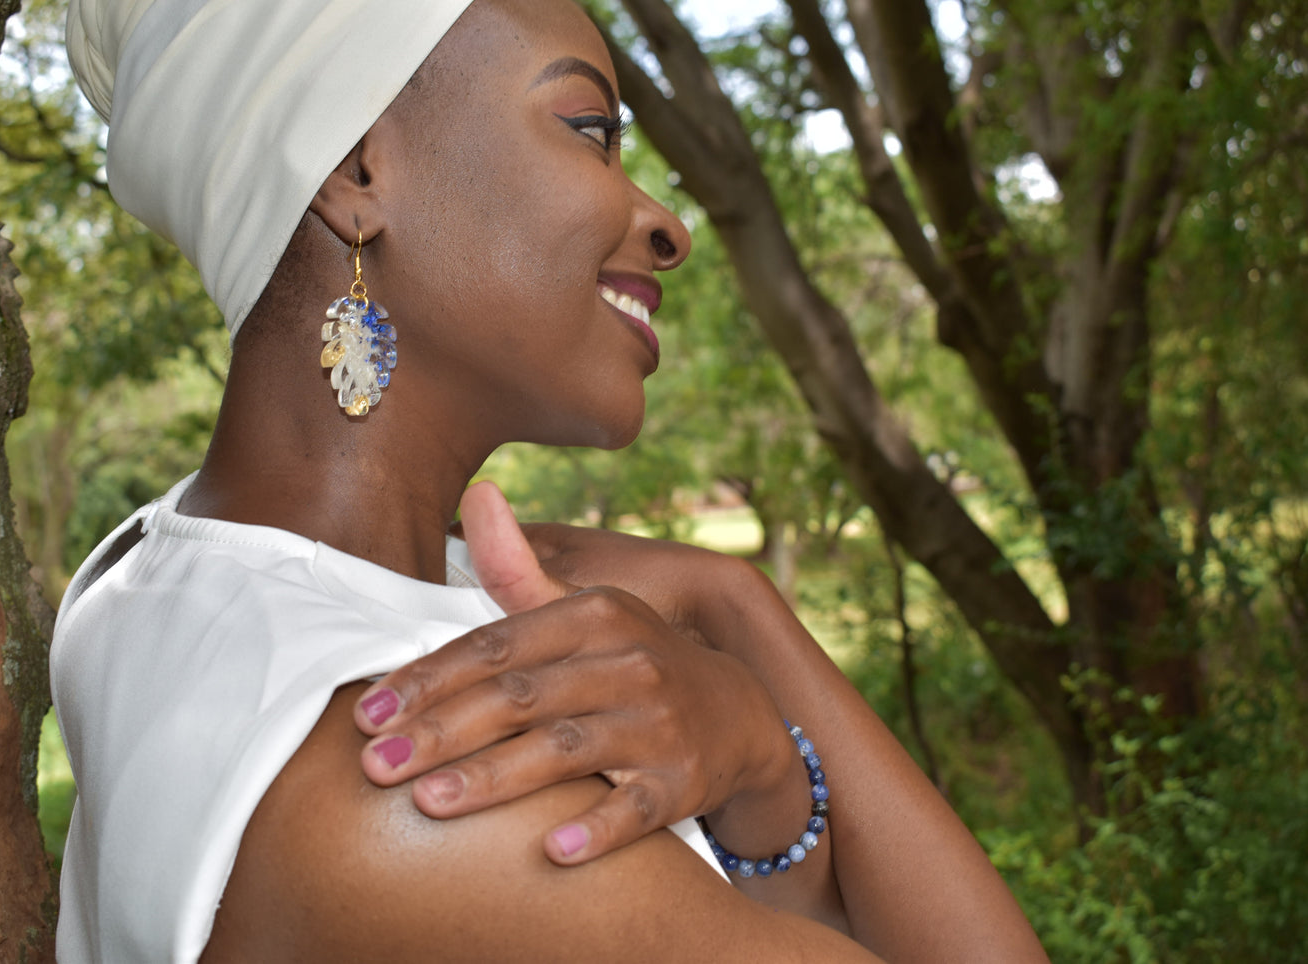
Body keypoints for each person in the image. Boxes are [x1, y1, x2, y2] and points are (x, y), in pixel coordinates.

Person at [54, 0, 1052, 960]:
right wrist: (743, 652)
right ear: (357, 168)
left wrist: (733, 649)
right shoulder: (425, 798)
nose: (667, 226)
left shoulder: (149, 575)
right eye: (587, 130)